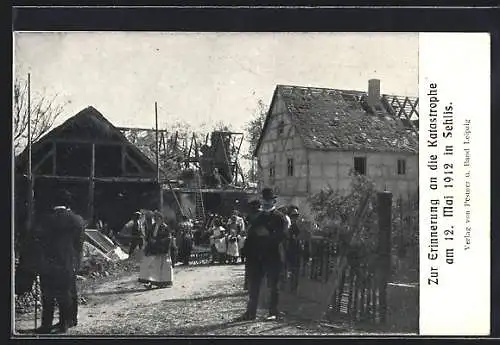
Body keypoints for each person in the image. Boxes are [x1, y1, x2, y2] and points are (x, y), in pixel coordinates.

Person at [29, 190, 86, 334]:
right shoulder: (77, 220)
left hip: (48, 263)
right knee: (66, 293)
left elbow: (36, 242)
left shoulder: (45, 220)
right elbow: (79, 245)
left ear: (53, 203)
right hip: (69, 263)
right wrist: (77, 262)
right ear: (68, 204)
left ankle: (46, 325)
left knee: (47, 295)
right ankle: (66, 323)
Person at [236, 188, 288, 322]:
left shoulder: (280, 217)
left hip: (273, 256)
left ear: (273, 201)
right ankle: (250, 313)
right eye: (264, 200)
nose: (266, 203)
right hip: (256, 257)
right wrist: (246, 252)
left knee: (273, 286)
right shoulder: (257, 217)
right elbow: (250, 236)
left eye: (269, 200)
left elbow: (282, 235)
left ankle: (273, 311)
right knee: (254, 286)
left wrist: (268, 235)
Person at [139, 212, 175, 288]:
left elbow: (168, 238)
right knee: (151, 266)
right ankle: (150, 282)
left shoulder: (165, 227)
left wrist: (159, 241)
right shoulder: (152, 226)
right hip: (153, 249)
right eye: (155, 218)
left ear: (161, 219)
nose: (156, 219)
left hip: (162, 250)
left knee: (163, 267)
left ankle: (163, 282)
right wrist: (149, 240)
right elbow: (149, 236)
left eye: (158, 218)